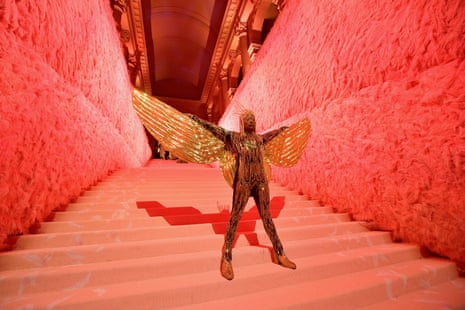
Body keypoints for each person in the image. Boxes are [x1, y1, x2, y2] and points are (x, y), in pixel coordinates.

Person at [190, 111, 296, 280]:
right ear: (242, 123)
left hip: (261, 182)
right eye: (247, 117)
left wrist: (283, 130)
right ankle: (226, 255)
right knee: (235, 217)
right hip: (243, 182)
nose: (250, 119)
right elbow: (215, 130)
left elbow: (273, 134)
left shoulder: (260, 139)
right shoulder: (234, 138)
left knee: (267, 217)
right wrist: (197, 120)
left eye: (252, 117)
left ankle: (279, 252)